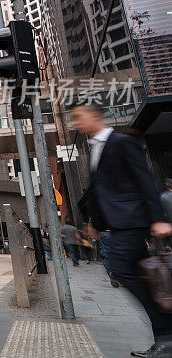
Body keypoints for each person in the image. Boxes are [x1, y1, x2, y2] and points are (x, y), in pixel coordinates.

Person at [72, 102, 172, 358]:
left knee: (122, 269)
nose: (76, 123)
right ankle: (164, 337)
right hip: (117, 223)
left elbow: (144, 178)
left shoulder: (120, 142)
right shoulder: (94, 147)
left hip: (132, 221)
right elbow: (100, 190)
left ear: (95, 116)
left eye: (79, 117)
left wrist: (157, 218)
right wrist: (94, 222)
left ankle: (166, 332)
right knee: (145, 274)